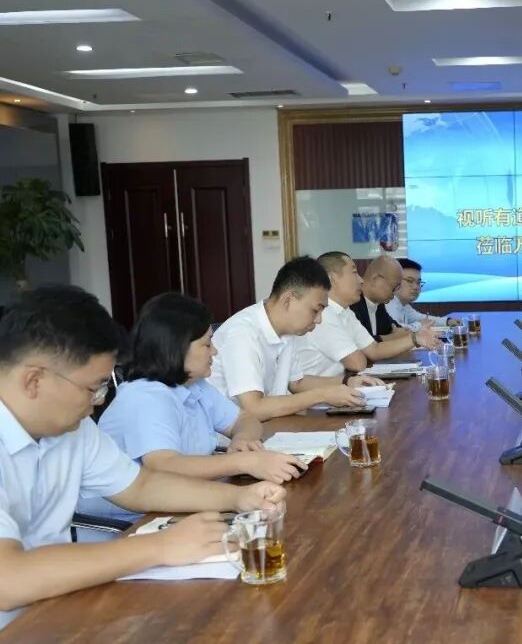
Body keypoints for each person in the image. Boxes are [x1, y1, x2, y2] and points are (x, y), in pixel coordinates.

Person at [0, 286, 285, 629]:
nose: (98, 401)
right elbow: (9, 579)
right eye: (93, 388)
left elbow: (140, 486)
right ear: (34, 381)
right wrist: (161, 546)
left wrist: (239, 498)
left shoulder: (72, 428)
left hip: (58, 607)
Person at [76, 294, 306, 525]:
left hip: (179, 505)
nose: (214, 351)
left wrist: (243, 439)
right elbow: (164, 466)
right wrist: (244, 462)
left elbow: (244, 418)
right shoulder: (146, 397)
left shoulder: (193, 385)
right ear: (177, 347)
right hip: (133, 522)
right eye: (207, 344)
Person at [208, 256, 379, 421]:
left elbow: (297, 383)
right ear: (287, 300)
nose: (319, 320)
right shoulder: (243, 332)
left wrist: (348, 382)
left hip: (269, 425)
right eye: (315, 310)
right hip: (232, 436)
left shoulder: (287, 330)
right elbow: (254, 408)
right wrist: (323, 395)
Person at [296, 252, 441, 377]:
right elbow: (358, 363)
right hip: (317, 397)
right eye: (354, 273)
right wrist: (360, 350)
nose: (361, 280)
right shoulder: (324, 314)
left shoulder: (345, 311)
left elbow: (374, 349)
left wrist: (416, 338)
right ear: (331, 279)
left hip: (340, 389)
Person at [386, 258, 461, 331]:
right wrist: (420, 325)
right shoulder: (388, 304)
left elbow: (421, 318)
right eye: (409, 281)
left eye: (418, 282)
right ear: (394, 281)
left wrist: (447, 321)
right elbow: (395, 330)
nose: (416, 287)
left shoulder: (404, 305)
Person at [351, 255, 411, 341]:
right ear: (375, 280)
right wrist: (393, 337)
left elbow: (395, 328)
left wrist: (399, 333)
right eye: (394, 287)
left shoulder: (379, 305)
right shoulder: (352, 303)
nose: (395, 292)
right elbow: (361, 343)